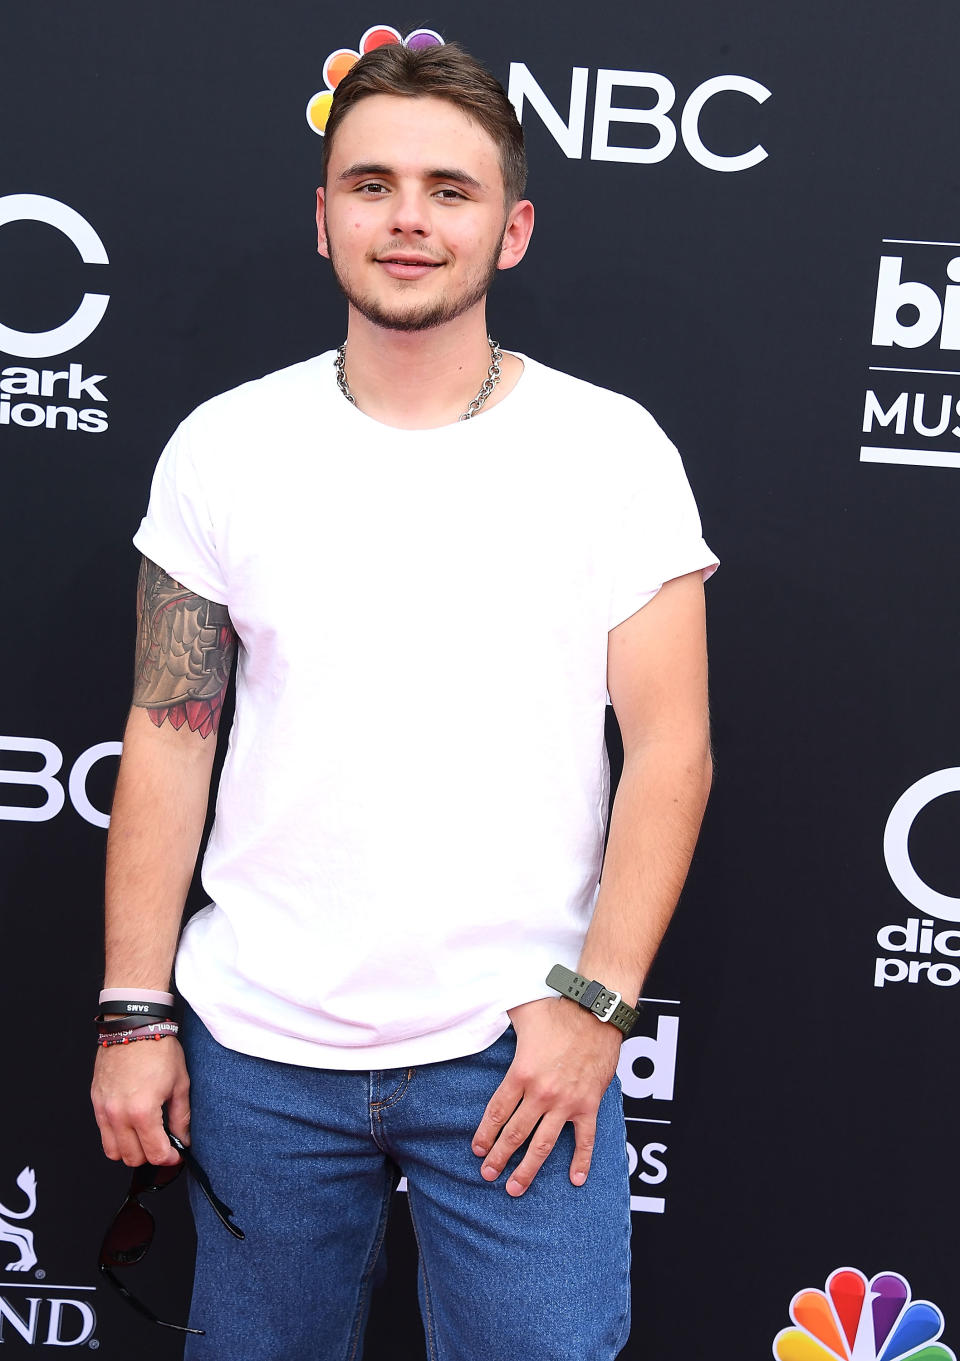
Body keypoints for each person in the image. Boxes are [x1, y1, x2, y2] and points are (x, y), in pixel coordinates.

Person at [90, 38, 717, 1361]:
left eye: (451, 188)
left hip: (517, 1046)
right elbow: (168, 731)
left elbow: (671, 750)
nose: (411, 219)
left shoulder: (611, 452)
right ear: (324, 219)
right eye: (371, 185)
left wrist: (597, 1008)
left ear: (514, 225)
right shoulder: (226, 446)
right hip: (258, 1050)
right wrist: (134, 1007)